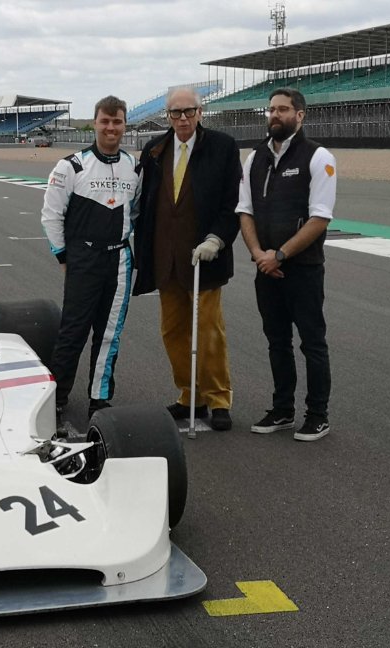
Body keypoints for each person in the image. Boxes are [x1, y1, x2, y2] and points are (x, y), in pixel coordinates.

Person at [133, 88, 241, 432]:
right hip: (166, 258)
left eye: (188, 112)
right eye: (175, 113)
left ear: (200, 112)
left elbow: (232, 202)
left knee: (208, 331)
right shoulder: (154, 150)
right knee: (172, 331)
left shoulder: (222, 147)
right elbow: (144, 203)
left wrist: (217, 238)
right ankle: (190, 394)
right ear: (167, 116)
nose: (182, 119)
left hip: (204, 258)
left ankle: (218, 397)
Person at [236, 88, 337, 442]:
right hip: (266, 269)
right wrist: (260, 254)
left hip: (303, 269)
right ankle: (282, 409)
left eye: (282, 109)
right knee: (276, 341)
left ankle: (318, 415)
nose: (275, 115)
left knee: (312, 343)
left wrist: (279, 255)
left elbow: (319, 218)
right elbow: (244, 211)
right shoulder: (255, 158)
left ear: (300, 115)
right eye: (271, 110)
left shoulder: (318, 157)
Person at [41, 95, 142, 420]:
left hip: (120, 260)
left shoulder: (134, 167)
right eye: (105, 121)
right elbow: (51, 216)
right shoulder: (71, 165)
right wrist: (64, 257)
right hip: (83, 257)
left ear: (125, 125)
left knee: (110, 332)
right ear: (95, 123)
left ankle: (99, 397)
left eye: (117, 122)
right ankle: (57, 395)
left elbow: (137, 213)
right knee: (74, 329)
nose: (111, 127)